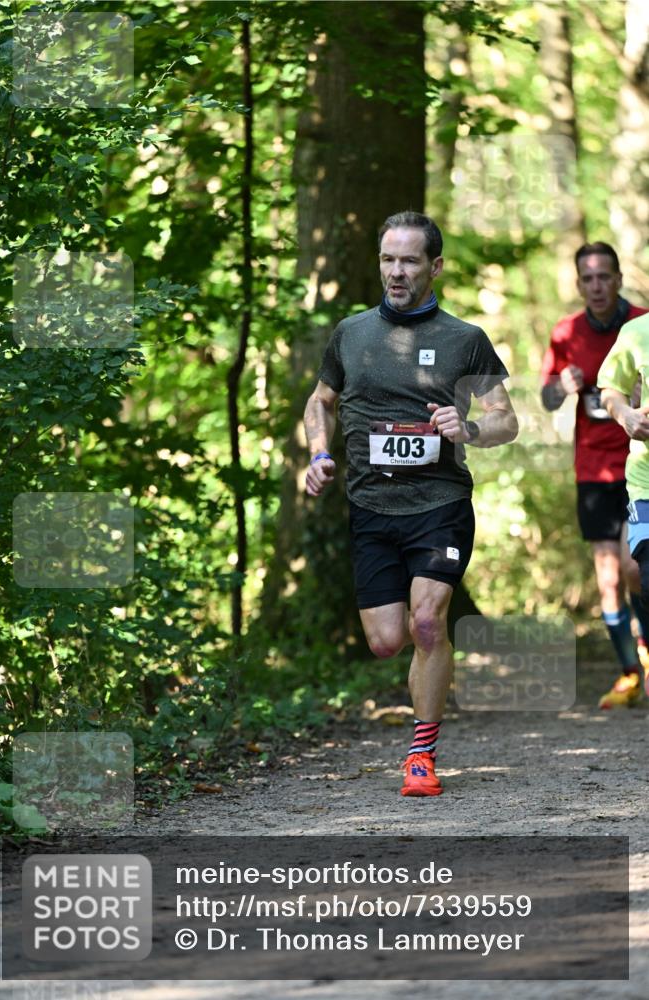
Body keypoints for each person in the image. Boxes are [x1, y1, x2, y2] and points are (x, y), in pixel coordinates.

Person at [303, 211, 518, 797]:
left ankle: (420, 755)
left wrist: (468, 428)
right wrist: (319, 454)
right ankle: (419, 726)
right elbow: (319, 401)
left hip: (440, 502)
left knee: (428, 623)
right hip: (372, 506)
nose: (396, 272)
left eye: (409, 261)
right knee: (387, 640)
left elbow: (508, 421)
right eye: (388, 260)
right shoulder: (352, 333)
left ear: (435, 267)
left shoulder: (464, 339)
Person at [541, 243, 649, 709]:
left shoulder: (641, 325)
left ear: (619, 278)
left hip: (638, 464)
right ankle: (629, 674)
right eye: (588, 279)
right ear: (579, 284)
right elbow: (546, 398)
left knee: (634, 570)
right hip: (593, 465)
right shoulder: (566, 332)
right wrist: (559, 388)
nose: (597, 286)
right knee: (608, 578)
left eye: (604, 276)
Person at [599, 311, 649, 699]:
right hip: (645, 480)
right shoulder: (636, 332)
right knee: (642, 573)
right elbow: (610, 390)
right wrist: (628, 415)